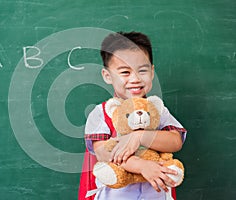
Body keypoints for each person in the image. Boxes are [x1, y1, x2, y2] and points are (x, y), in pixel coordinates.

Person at [78, 31, 187, 200]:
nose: (135, 79)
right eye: (125, 72)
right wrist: (142, 166)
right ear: (107, 76)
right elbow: (104, 153)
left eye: (142, 71)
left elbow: (175, 141)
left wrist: (140, 136)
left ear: (152, 72)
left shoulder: (158, 110)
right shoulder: (102, 113)